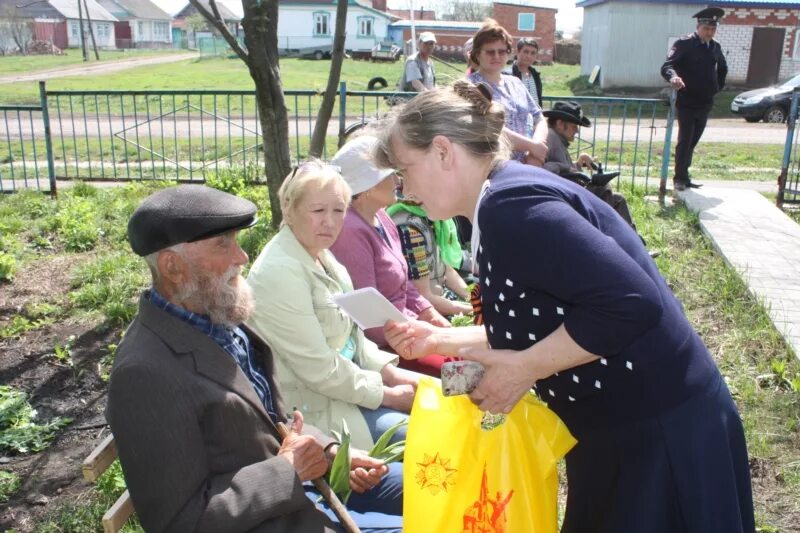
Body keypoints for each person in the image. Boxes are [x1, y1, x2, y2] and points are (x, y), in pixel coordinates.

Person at [373, 80, 754, 532]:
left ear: (442, 151)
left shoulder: (510, 207)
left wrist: (524, 368)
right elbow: (545, 320)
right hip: (623, 432)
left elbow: (631, 303)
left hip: (659, 434)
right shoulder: (498, 201)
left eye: (405, 169)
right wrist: (437, 338)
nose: (403, 188)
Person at [106, 184, 403, 533]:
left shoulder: (216, 317)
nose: (242, 257)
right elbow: (180, 523)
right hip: (274, 518)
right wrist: (287, 471)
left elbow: (265, 421)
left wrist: (327, 451)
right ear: (173, 267)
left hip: (303, 495)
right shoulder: (144, 374)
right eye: (223, 244)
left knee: (443, 488)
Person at [246, 162, 420, 451]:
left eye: (338, 210)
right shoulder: (279, 272)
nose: (330, 221)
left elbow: (354, 339)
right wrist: (390, 394)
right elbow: (320, 369)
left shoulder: (323, 256)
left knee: (440, 412)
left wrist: (396, 376)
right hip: (317, 416)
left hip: (346, 394)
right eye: (318, 211)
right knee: (427, 439)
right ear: (288, 209)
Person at [329, 135, 456, 377]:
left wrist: (430, 314)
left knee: (467, 357)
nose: (397, 180)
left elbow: (403, 281)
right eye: (389, 175)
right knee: (459, 371)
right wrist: (422, 332)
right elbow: (369, 315)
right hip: (386, 348)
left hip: (406, 332)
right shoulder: (350, 231)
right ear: (367, 187)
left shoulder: (382, 217)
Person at [660, 7, 728, 191]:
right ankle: (679, 179)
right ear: (698, 27)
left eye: (713, 29)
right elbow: (667, 65)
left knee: (693, 141)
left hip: (705, 101)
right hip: (687, 101)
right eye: (706, 28)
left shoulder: (715, 46)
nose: (710, 32)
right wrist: (673, 77)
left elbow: (722, 68)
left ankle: (685, 176)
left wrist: (717, 87)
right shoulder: (685, 44)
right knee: (685, 140)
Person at [467, 19, 548, 165]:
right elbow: (488, 127)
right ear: (477, 54)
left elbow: (539, 117)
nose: (497, 56)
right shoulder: (470, 86)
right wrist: (531, 146)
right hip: (491, 169)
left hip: (527, 166)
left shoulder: (515, 83)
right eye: (490, 52)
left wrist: (537, 147)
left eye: (502, 51)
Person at [543, 101, 635, 228]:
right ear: (559, 123)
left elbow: (565, 170)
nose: (577, 131)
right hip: (565, 197)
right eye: (574, 126)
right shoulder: (550, 137)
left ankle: (633, 239)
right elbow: (542, 168)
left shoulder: (558, 139)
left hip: (571, 192)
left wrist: (578, 163)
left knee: (618, 199)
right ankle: (604, 230)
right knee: (602, 187)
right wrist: (568, 168)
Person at [387, 200, 473, 317]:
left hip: (442, 297)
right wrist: (474, 310)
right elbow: (423, 298)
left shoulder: (430, 219)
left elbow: (446, 269)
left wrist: (474, 299)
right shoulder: (409, 230)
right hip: (427, 312)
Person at [504, 37, 543, 107]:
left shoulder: (535, 74)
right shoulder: (508, 75)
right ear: (518, 52)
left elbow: (538, 100)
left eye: (533, 53)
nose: (529, 56)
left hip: (536, 116)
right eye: (526, 52)